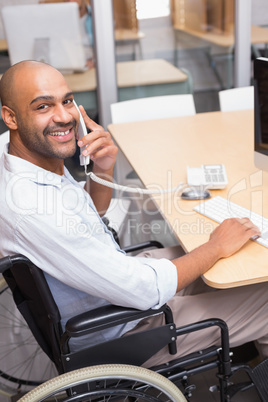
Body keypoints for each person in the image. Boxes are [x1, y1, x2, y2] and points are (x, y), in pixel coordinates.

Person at [0, 60, 267, 367]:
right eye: (43, 106)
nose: (64, 116)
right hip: (125, 331)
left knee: (238, 267)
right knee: (251, 280)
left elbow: (91, 213)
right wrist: (215, 246)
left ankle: (245, 339)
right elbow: (144, 290)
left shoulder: (26, 163)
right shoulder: (31, 208)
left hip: (113, 284)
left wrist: (103, 168)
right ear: (10, 117)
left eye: (68, 101)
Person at [63, 0, 95, 69]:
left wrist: (94, 61)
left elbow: (106, 49)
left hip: (91, 68)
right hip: (70, 67)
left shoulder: (95, 16)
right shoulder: (61, 20)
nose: (70, 1)